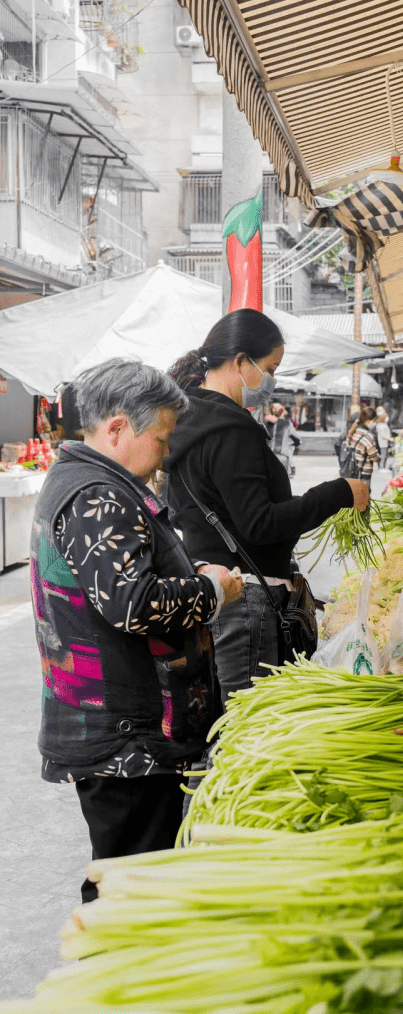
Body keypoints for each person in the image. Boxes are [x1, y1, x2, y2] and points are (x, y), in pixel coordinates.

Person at [30, 359, 241, 904]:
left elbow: (122, 583)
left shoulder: (89, 482)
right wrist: (212, 590)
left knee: (134, 873)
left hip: (123, 727)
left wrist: (188, 574)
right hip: (126, 736)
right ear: (118, 428)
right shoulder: (96, 495)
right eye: (162, 439)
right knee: (130, 885)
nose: (166, 454)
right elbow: (133, 603)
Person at [165, 309, 369, 699]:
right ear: (240, 361)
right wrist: (339, 493)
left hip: (212, 590)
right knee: (250, 719)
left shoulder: (185, 420)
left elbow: (179, 511)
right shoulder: (231, 430)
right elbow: (260, 524)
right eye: (270, 368)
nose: (271, 380)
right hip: (246, 601)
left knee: (230, 716)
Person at [346, 406, 381, 485]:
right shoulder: (367, 436)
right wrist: (379, 459)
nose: (375, 423)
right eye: (374, 421)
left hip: (352, 470)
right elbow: (373, 457)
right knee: (364, 492)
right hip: (363, 473)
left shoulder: (353, 432)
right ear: (369, 421)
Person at [268, 402, 301, 475]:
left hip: (267, 457)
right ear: (282, 411)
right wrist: (291, 444)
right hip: (282, 456)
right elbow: (297, 439)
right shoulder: (287, 424)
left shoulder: (265, 424)